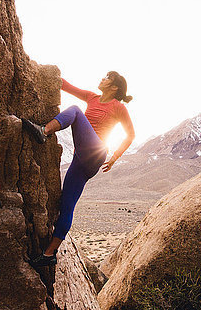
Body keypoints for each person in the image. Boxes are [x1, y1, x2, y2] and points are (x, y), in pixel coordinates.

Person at [21, 71, 135, 267]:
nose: (102, 78)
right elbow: (65, 85)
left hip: (96, 152)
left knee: (74, 110)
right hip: (80, 159)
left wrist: (115, 157)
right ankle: (49, 254)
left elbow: (130, 135)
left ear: (114, 87)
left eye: (107, 77)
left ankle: (44, 131)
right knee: (66, 205)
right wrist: (43, 71)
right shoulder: (92, 97)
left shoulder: (118, 107)